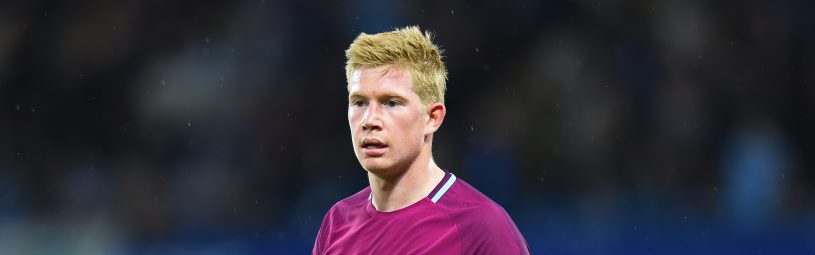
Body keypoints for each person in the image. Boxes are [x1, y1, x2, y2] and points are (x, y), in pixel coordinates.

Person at [313, 26, 530, 254]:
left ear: (432, 118)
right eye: (359, 102)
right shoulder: (338, 221)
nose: (369, 120)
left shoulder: (481, 226)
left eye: (391, 103)